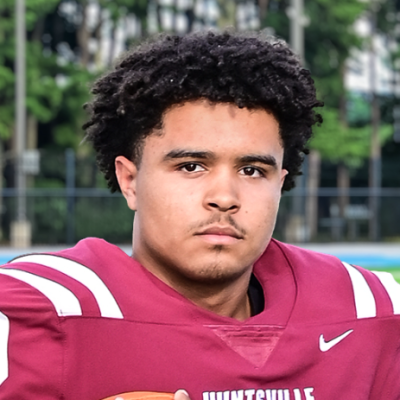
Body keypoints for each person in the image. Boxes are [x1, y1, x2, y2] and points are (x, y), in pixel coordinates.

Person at [1, 31, 400, 400]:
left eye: (252, 171)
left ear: (280, 183)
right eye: (191, 166)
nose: (224, 197)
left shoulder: (369, 310)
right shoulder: (46, 310)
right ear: (130, 181)